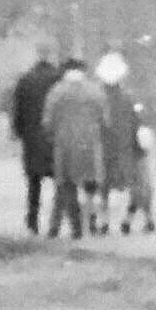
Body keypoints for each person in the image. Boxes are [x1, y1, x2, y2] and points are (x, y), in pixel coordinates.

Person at [40, 57, 105, 240]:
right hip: (90, 145)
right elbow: (105, 119)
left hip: (65, 145)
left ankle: (72, 227)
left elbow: (47, 121)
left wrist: (51, 136)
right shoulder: (95, 91)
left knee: (66, 185)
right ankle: (91, 220)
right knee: (90, 185)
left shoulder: (57, 91)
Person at [93, 52, 151, 235]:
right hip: (127, 148)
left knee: (103, 187)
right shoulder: (130, 98)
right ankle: (131, 219)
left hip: (104, 148)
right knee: (136, 184)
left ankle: (103, 221)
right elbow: (140, 122)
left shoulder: (97, 98)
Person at [9, 44, 62, 234]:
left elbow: (18, 109)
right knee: (59, 180)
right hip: (53, 137)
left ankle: (33, 219)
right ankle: (56, 221)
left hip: (32, 137)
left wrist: (17, 131)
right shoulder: (59, 79)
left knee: (34, 182)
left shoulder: (26, 80)